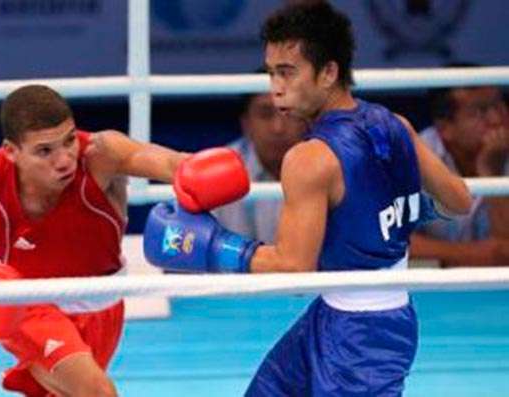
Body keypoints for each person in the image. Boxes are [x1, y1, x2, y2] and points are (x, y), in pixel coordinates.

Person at [143, 2, 472, 396]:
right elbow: (459, 200)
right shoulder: (395, 125)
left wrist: (210, 247)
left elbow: (293, 267)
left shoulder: (308, 158)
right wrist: (392, 214)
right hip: (344, 317)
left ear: (329, 72)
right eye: (271, 73)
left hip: (363, 339)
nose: (275, 87)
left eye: (287, 72)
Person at [0, 84, 201, 397]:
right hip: (25, 305)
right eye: (45, 150)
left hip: (102, 302)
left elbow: (171, 163)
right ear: (11, 151)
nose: (65, 159)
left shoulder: (101, 154)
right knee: (97, 392)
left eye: (69, 140)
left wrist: (201, 171)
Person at [410, 75, 509, 267]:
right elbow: (385, 240)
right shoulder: (412, 155)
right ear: (445, 128)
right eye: (480, 111)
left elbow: (505, 252)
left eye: (500, 106)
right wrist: (469, 254)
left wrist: (492, 172)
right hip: (436, 283)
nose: (497, 119)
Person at [212, 77, 308, 242]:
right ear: (246, 124)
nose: (278, 128)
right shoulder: (216, 171)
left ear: (308, 120)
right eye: (265, 114)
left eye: (289, 113)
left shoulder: (330, 164)